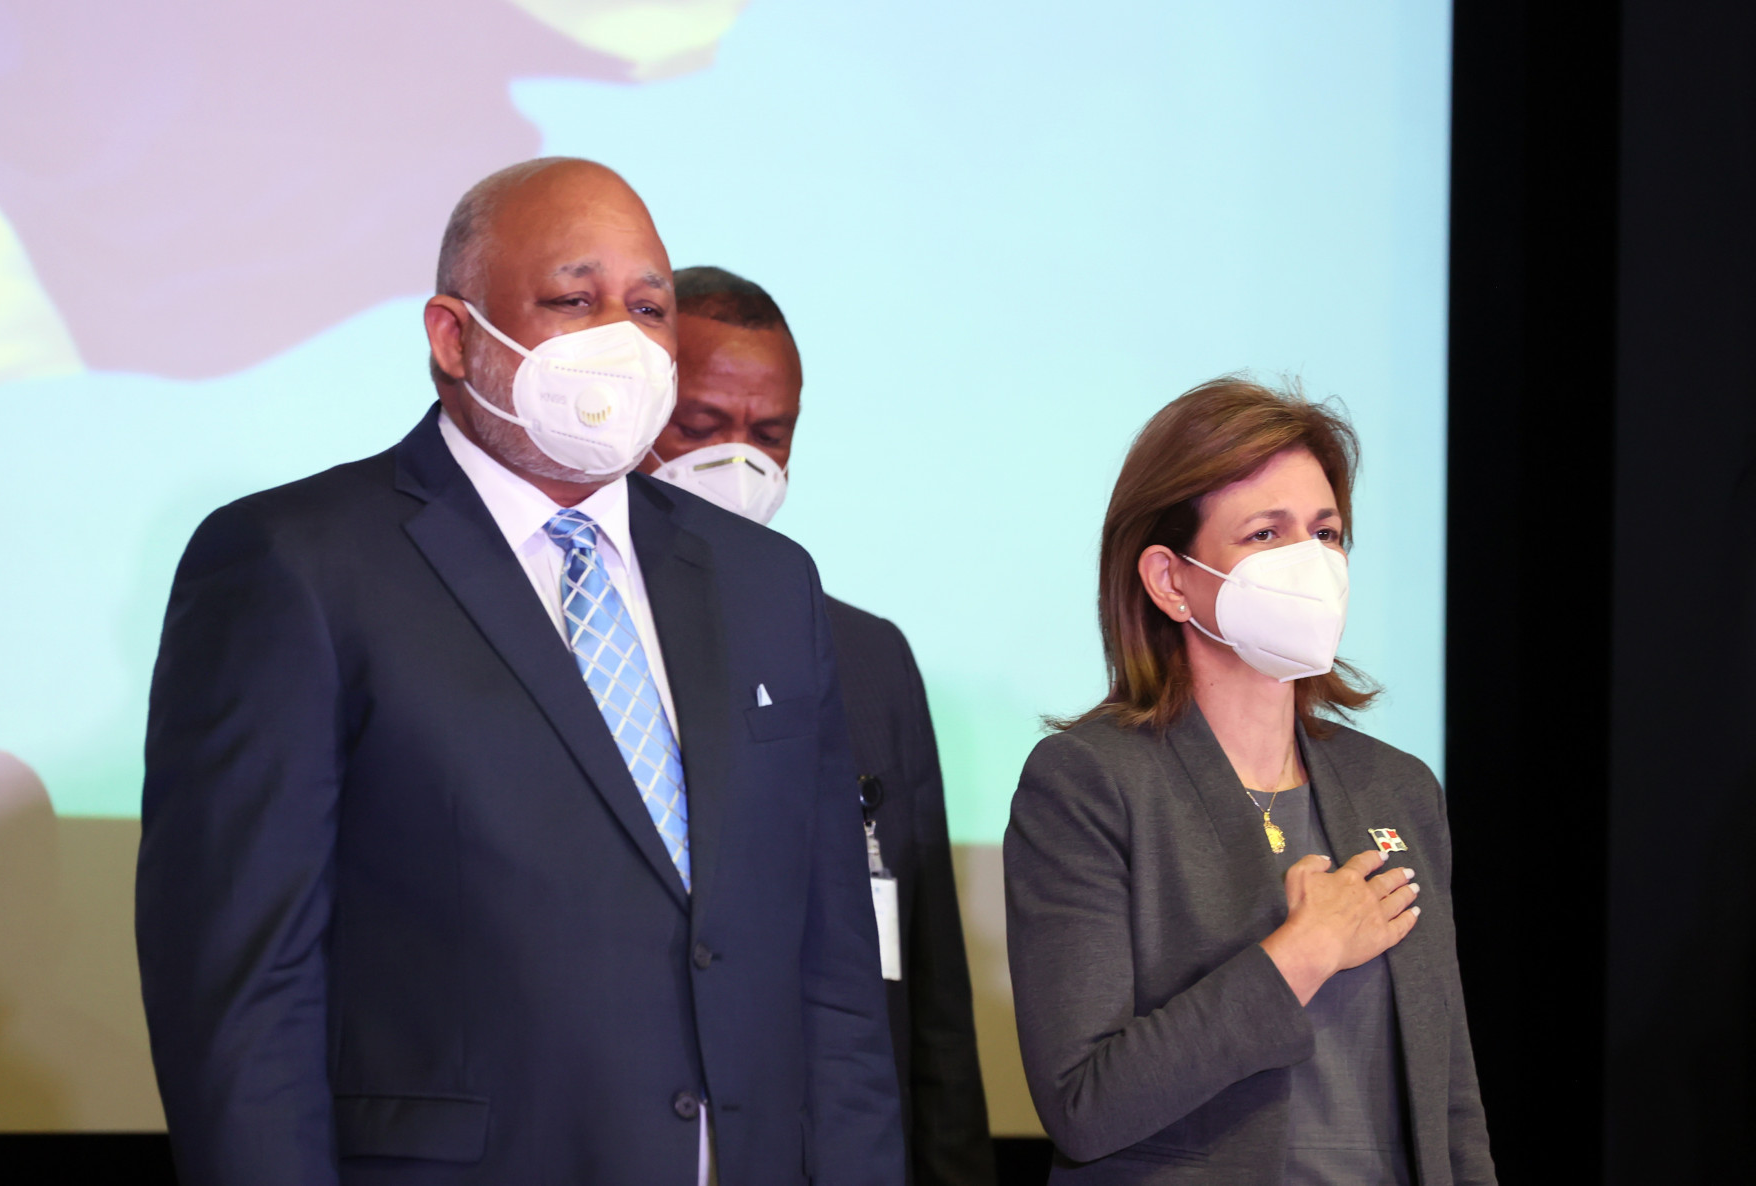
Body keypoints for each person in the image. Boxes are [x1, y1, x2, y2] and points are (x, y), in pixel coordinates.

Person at [136, 159, 903, 1186]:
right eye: (574, 301)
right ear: (454, 337)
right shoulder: (296, 565)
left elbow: (835, 978)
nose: (619, 339)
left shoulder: (766, 583)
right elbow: (243, 994)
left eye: (648, 309)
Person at [1003, 378, 1494, 1184]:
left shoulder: (1397, 788)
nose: (1311, 561)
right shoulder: (1088, 783)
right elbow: (1084, 1106)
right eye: (1267, 533)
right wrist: (1301, 953)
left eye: (1326, 533)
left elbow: (1452, 1100)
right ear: (1170, 580)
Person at [642, 266, 998, 1186]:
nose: (739, 462)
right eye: (700, 426)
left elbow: (932, 994)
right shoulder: (571, 634)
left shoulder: (869, 659)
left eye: (769, 435)